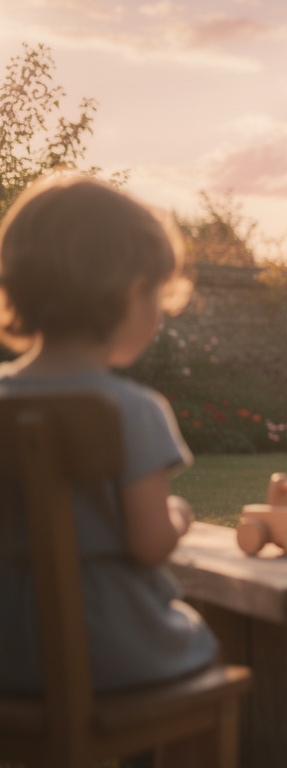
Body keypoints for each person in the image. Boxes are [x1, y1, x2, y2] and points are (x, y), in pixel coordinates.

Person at [0, 176, 218, 734]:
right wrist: (178, 516)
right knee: (206, 642)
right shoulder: (130, 409)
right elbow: (149, 545)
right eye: (156, 297)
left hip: (9, 650)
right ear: (129, 293)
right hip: (110, 649)